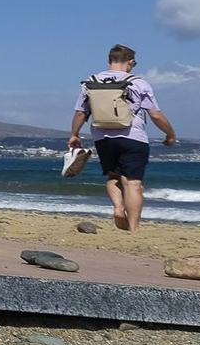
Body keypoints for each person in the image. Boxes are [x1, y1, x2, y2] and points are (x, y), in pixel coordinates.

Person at [68, 43, 178, 231]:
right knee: (133, 182)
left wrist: (74, 134)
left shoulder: (91, 81)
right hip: (133, 136)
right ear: (131, 61)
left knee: (113, 176)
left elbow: (80, 113)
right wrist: (170, 134)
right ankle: (133, 228)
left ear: (109, 60)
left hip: (102, 137)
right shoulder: (138, 82)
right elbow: (156, 115)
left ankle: (119, 208)